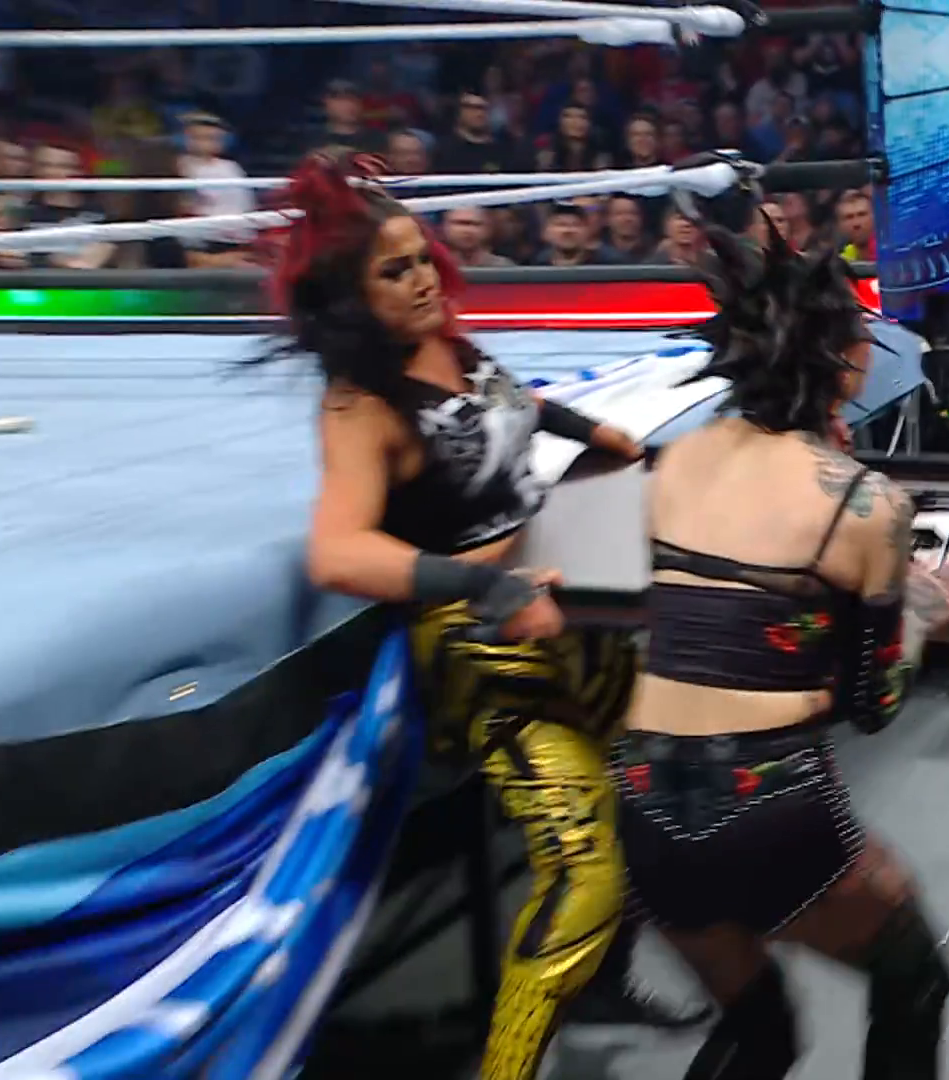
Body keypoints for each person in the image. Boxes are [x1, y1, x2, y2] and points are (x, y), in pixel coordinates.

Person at [275, 153, 705, 1080]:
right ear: (352, 296)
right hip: (488, 646)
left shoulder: (452, 347)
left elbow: (510, 404)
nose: (422, 279)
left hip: (571, 597)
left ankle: (605, 982)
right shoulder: (358, 405)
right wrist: (485, 589)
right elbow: (336, 552)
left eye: (420, 258)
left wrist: (592, 432)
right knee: (582, 873)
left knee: (648, 796)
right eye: (393, 271)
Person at [611, 217, 949, 1079]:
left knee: (760, 1030)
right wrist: (922, 610)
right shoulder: (865, 502)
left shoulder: (676, 461)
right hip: (766, 802)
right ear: (846, 362)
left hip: (643, 797)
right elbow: (872, 705)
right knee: (914, 974)